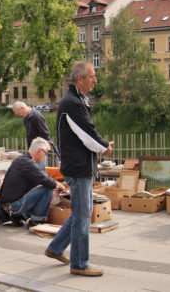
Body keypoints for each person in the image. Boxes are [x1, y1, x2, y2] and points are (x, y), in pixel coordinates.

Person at [45, 62, 113, 277]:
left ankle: (55, 248)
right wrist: (105, 148)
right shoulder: (72, 103)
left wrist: (101, 146)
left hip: (77, 166)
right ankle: (80, 264)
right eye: (92, 76)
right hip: (78, 168)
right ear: (80, 79)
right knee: (83, 216)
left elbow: (85, 132)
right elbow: (87, 134)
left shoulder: (75, 100)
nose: (95, 80)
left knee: (80, 214)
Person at [0, 138, 65, 227]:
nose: (45, 156)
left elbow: (40, 179)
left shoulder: (23, 159)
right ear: (40, 151)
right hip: (13, 205)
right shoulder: (28, 163)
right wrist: (59, 185)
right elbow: (46, 181)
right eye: (46, 153)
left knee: (43, 186)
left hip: (9, 203)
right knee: (47, 189)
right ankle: (37, 220)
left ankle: (24, 215)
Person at [12, 101, 52, 169]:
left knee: (40, 170)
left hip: (39, 150)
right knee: (34, 170)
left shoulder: (37, 117)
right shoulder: (25, 118)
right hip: (32, 149)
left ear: (22, 108)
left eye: (19, 113)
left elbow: (45, 133)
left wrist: (42, 148)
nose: (19, 115)